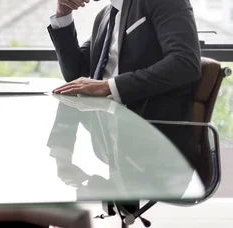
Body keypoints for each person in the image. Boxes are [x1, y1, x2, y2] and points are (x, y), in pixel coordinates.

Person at [48, 0, 201, 170]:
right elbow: (75, 74)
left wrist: (108, 86)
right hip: (109, 145)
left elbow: (185, 63)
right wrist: (63, 13)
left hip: (155, 151)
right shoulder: (105, 16)